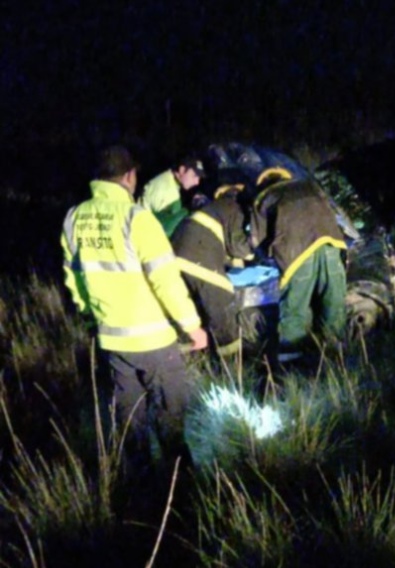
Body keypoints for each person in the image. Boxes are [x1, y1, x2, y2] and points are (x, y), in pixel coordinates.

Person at [61, 145, 208, 467]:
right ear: (129, 176)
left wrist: (91, 317)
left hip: (113, 341)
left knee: (131, 426)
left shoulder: (73, 218)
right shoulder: (136, 219)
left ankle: (140, 493)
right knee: (172, 419)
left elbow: (75, 279)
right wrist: (192, 326)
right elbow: (165, 279)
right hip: (155, 341)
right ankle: (179, 493)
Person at [249, 168, 348, 358]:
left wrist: (265, 258)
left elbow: (256, 240)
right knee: (334, 302)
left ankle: (291, 364)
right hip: (331, 245)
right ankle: (335, 357)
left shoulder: (263, 197)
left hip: (295, 254)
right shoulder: (310, 186)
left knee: (294, 310)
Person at [171, 174, 254, 358]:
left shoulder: (216, 208)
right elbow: (238, 247)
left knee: (196, 309)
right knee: (222, 307)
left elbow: (227, 251)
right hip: (197, 255)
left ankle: (188, 355)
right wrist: (256, 251)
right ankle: (232, 362)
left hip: (179, 252)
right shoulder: (234, 207)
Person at [140, 154, 206, 237]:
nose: (197, 182)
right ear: (182, 170)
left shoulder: (166, 178)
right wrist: (189, 210)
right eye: (194, 176)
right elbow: (165, 232)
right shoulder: (170, 194)